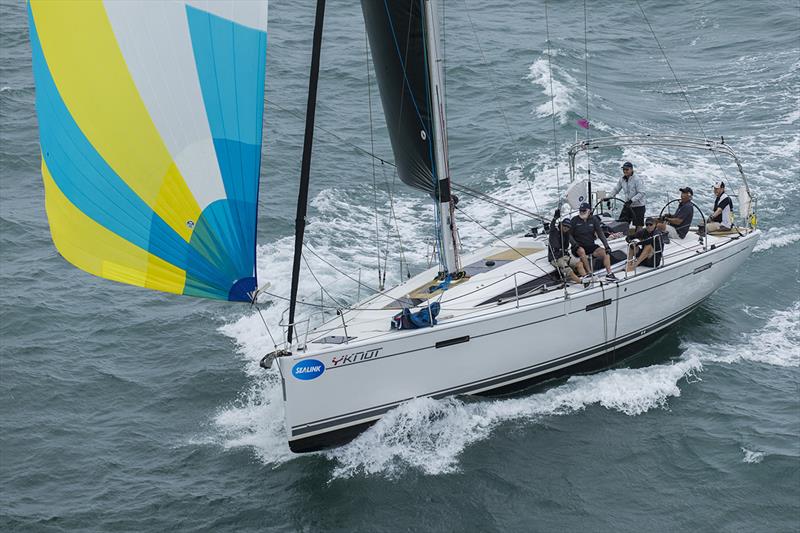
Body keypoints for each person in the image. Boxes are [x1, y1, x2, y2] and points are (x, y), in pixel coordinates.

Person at [570, 202, 617, 281]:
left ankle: (609, 274)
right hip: (577, 246)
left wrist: (606, 246)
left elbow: (600, 234)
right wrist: (574, 244)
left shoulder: (594, 220)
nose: (582, 212)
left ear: (589, 211)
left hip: (590, 245)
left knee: (606, 252)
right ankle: (589, 273)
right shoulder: (574, 220)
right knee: (581, 251)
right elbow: (569, 235)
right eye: (580, 210)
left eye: (584, 211)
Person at [548, 210, 587, 284]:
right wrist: (555, 218)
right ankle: (582, 283)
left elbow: (571, 243)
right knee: (568, 270)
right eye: (564, 225)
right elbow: (552, 227)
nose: (566, 228)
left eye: (568, 227)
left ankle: (585, 278)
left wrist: (577, 246)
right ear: (561, 224)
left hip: (565, 256)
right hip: (556, 258)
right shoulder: (554, 231)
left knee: (579, 264)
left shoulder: (567, 234)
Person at [608, 161, 646, 232]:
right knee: (622, 223)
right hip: (628, 205)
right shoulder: (622, 179)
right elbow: (616, 189)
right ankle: (622, 237)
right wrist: (609, 197)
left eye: (627, 169)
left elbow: (641, 193)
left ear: (631, 169)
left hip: (638, 206)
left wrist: (631, 200)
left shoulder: (637, 179)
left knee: (639, 225)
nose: (625, 171)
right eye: (624, 169)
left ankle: (638, 239)